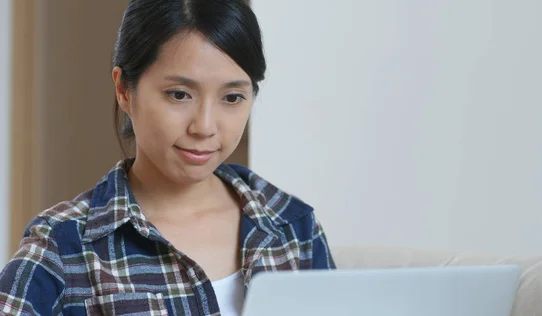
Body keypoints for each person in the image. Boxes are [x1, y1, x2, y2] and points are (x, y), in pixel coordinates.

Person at [0, 0, 335, 315]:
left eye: (232, 97)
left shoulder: (293, 228)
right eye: (179, 94)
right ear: (124, 91)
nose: (204, 127)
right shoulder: (63, 245)